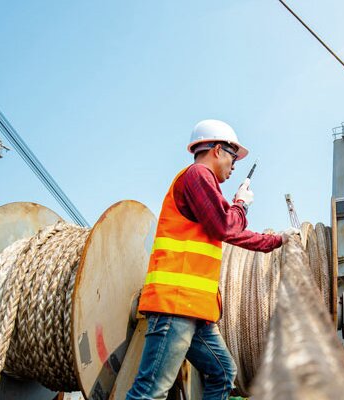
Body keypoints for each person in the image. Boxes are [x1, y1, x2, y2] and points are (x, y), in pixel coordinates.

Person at [127, 119, 296, 400]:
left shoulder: (205, 185)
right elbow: (226, 227)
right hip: (176, 305)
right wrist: (240, 203)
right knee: (150, 392)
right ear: (217, 150)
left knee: (222, 374)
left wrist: (278, 240)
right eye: (232, 157)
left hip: (196, 311)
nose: (233, 167)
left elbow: (230, 230)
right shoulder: (197, 175)